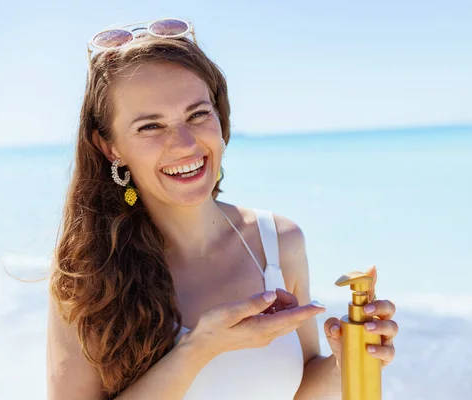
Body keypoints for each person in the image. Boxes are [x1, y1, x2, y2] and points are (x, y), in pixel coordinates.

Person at [46, 18, 398, 400]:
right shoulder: (86, 273)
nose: (183, 144)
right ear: (110, 146)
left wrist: (344, 364)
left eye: (197, 114)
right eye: (150, 126)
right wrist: (199, 349)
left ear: (220, 116)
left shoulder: (278, 243)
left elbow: (300, 388)